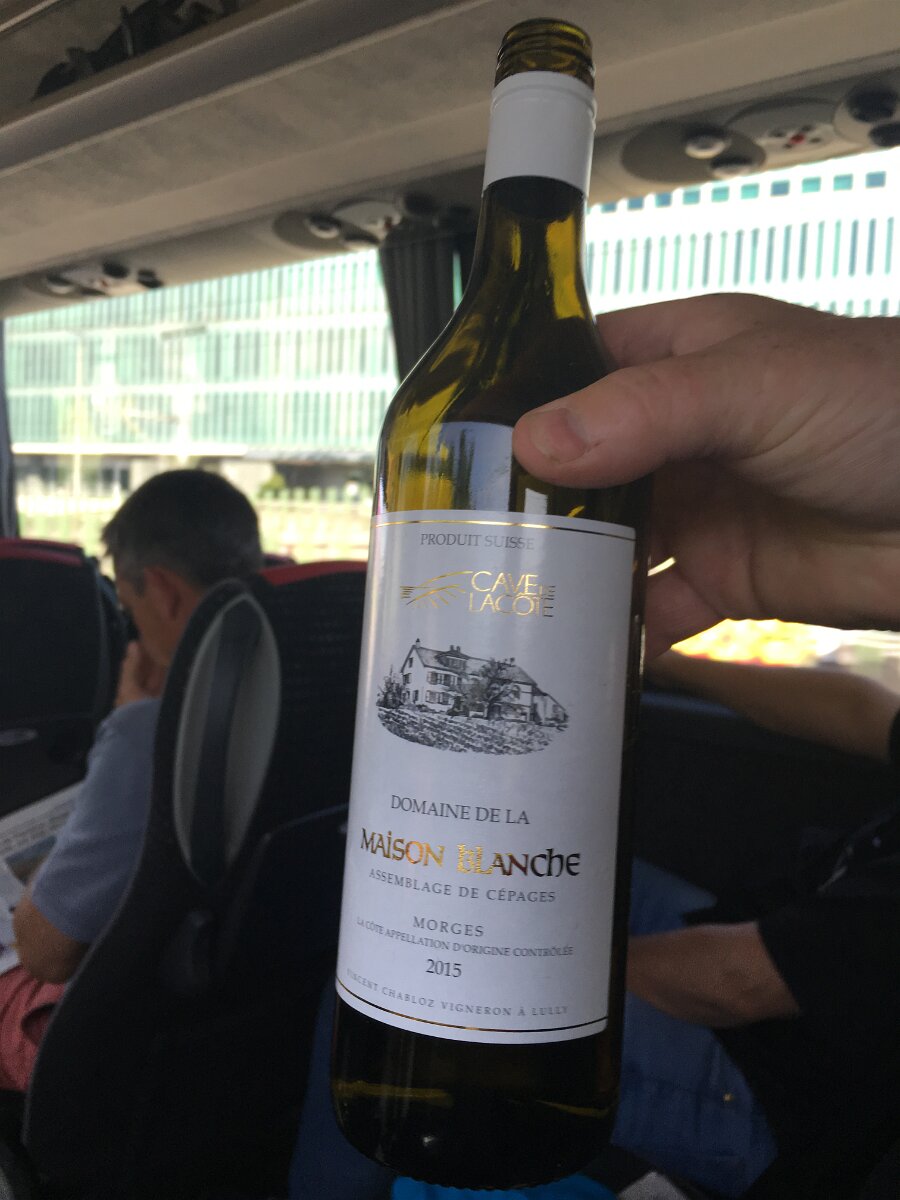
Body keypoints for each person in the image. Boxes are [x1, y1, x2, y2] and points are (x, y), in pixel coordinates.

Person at [290, 293, 900, 1199]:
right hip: (775, 915)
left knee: (387, 975)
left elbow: (743, 981)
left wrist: (536, 955)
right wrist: (652, 654)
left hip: (786, 1076)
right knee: (436, 930)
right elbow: (865, 710)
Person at [0, 468, 263, 1091]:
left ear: (164, 592)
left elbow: (45, 952)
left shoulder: (149, 734)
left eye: (129, 605)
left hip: (116, 1036)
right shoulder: (310, 691)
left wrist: (131, 721)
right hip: (247, 1014)